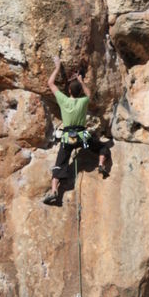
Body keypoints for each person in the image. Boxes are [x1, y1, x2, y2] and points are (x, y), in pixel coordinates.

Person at [43, 56, 109, 206]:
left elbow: (50, 83)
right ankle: (101, 164)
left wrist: (58, 67)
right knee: (101, 147)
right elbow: (89, 94)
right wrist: (81, 81)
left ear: (68, 91)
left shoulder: (63, 100)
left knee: (60, 162)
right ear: (79, 92)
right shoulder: (83, 101)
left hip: (67, 138)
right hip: (82, 138)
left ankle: (54, 191)